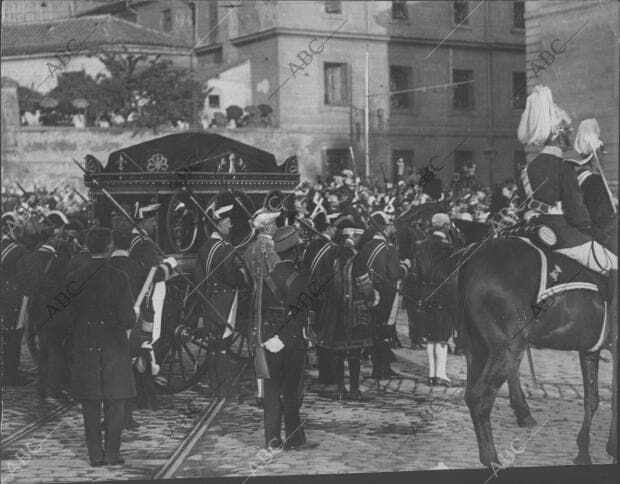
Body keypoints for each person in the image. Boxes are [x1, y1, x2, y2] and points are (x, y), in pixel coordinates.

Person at [516, 85, 617, 274]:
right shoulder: (565, 167)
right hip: (563, 235)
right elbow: (576, 212)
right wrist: (590, 230)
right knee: (613, 266)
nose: (570, 134)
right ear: (558, 136)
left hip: (533, 232)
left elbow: (521, 208)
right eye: (568, 131)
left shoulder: (526, 170)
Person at [66, 227, 136, 466]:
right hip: (113, 343)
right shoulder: (119, 277)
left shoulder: (75, 276)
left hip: (85, 342)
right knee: (116, 400)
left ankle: (95, 454)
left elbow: (66, 315)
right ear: (109, 247)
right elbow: (128, 319)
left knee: (90, 401)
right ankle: (113, 453)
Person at [260, 226, 317, 451]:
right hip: (292, 339)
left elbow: (259, 311)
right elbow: (302, 313)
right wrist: (284, 337)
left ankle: (272, 440)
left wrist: (270, 337)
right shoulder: (301, 278)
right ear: (295, 252)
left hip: (268, 337)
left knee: (271, 390)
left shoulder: (266, 278)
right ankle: (294, 439)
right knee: (292, 390)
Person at [194, 203, 249, 395]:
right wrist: (243, 275)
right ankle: (224, 388)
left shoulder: (204, 247)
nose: (230, 225)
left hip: (209, 299)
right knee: (224, 344)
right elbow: (231, 277)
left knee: (213, 343)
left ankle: (214, 385)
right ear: (218, 224)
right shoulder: (225, 248)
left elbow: (199, 278)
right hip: (225, 300)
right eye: (227, 221)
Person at [16, 223, 72, 401]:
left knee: (40, 349)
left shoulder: (27, 259)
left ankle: (42, 387)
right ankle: (52, 389)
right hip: (53, 312)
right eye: (59, 237)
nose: (61, 240)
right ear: (51, 239)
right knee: (54, 349)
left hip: (33, 309)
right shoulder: (58, 262)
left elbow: (21, 283)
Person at [321, 219, 376, 400]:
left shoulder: (330, 254)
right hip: (355, 311)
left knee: (338, 351)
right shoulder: (357, 256)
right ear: (352, 236)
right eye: (358, 236)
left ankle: (340, 389)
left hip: (334, 310)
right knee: (354, 352)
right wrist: (372, 296)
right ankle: (354, 389)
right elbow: (364, 284)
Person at [358, 211, 410, 379]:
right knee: (384, 330)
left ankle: (379, 367)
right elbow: (394, 273)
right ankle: (382, 368)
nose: (393, 228)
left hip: (370, 292)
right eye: (391, 225)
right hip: (387, 294)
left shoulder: (365, 246)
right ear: (385, 227)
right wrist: (406, 266)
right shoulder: (389, 248)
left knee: (374, 330)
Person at [245, 208, 280, 408]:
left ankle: (260, 392)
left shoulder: (249, 249)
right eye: (274, 224)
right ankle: (272, 390)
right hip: (272, 301)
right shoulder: (272, 249)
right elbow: (277, 277)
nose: (277, 226)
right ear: (268, 226)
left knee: (257, 341)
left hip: (256, 298)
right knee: (273, 341)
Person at [110, 226, 144, 430]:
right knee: (129, 371)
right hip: (131, 321)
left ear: (113, 244)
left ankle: (111, 416)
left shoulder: (105, 265)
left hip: (109, 325)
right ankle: (127, 416)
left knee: (109, 370)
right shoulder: (136, 266)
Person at [570, 118, 617, 254]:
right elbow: (603, 221)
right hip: (599, 239)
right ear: (595, 156)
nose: (604, 159)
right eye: (602, 155)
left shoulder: (576, 176)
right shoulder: (595, 180)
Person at [303, 211, 338, 386]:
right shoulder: (330, 248)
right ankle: (328, 375)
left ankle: (325, 374)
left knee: (319, 333)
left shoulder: (310, 246)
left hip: (311, 296)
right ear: (329, 227)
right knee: (329, 336)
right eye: (333, 227)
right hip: (327, 297)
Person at [422, 213, 455, 387]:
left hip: (425, 293)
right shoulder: (447, 247)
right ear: (444, 226)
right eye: (448, 225)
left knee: (430, 336)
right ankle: (441, 374)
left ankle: (431, 374)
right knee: (442, 336)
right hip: (442, 294)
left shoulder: (422, 245)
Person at [1, 232, 30, 385]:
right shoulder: (18, 251)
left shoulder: (8, 249)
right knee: (13, 336)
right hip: (13, 298)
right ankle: (11, 373)